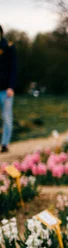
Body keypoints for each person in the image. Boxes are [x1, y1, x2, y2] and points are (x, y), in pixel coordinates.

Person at [0, 25, 17, 153]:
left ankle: (5, 143)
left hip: (6, 90)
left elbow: (13, 68)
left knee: (6, 117)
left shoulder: (9, 48)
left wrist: (11, 86)